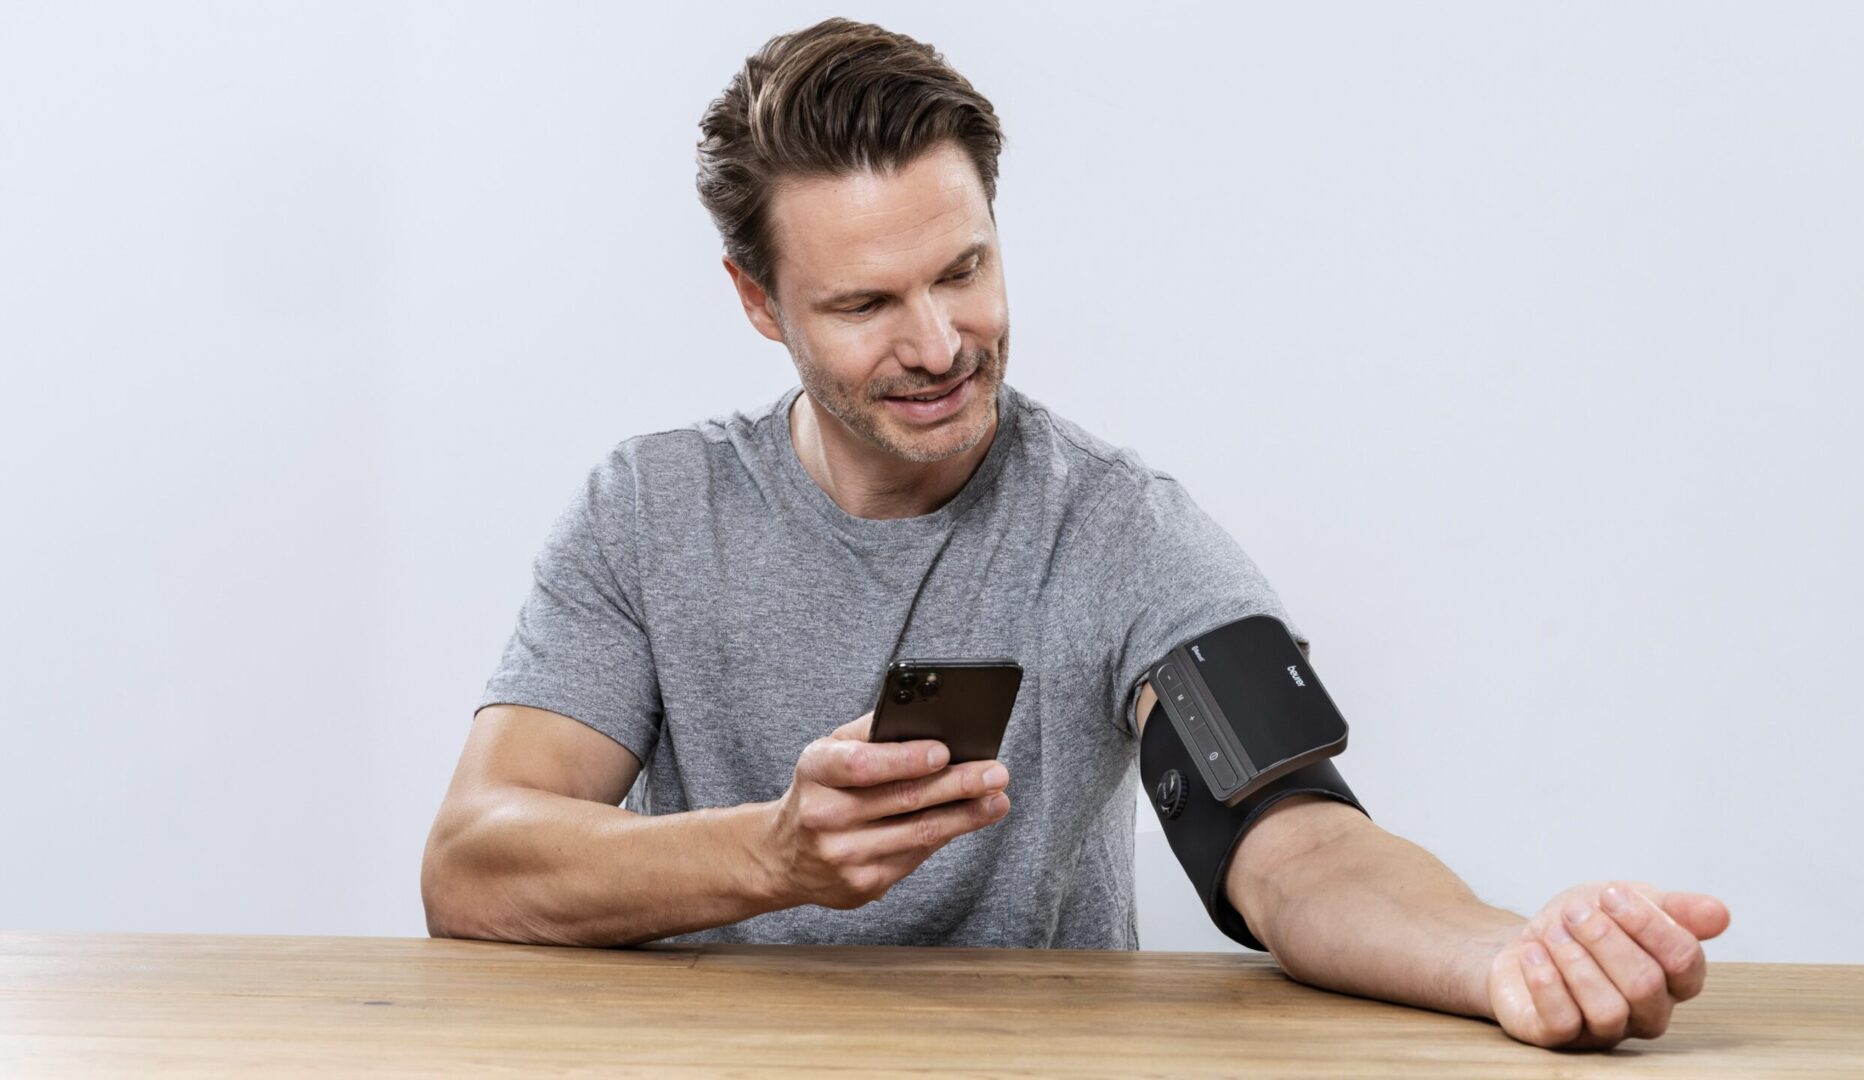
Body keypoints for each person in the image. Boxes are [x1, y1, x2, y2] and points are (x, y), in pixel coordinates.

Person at [421, 17, 1731, 1050]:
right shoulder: (649, 511)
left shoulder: (1117, 528)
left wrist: (1501, 954)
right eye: (867, 303)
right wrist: (776, 856)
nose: (939, 344)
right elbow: (474, 865)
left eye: (964, 270)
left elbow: (1292, 840)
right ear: (759, 303)